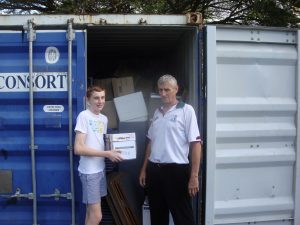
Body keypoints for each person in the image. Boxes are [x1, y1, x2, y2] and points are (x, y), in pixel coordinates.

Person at [139, 74, 202, 225]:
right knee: (157, 217)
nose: (163, 94)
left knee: (183, 217)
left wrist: (194, 176)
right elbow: (151, 142)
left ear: (176, 89)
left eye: (167, 90)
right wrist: (144, 169)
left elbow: (196, 144)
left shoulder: (186, 111)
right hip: (155, 171)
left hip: (177, 172)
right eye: (160, 90)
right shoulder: (157, 113)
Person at [74, 86, 123, 225]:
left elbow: (98, 142)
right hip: (90, 172)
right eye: (96, 98)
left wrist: (118, 149)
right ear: (87, 100)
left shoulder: (103, 119)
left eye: (102, 97)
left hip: (99, 170)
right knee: (97, 217)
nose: (100, 101)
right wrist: (107, 154)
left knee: (90, 213)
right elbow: (78, 148)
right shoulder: (84, 116)